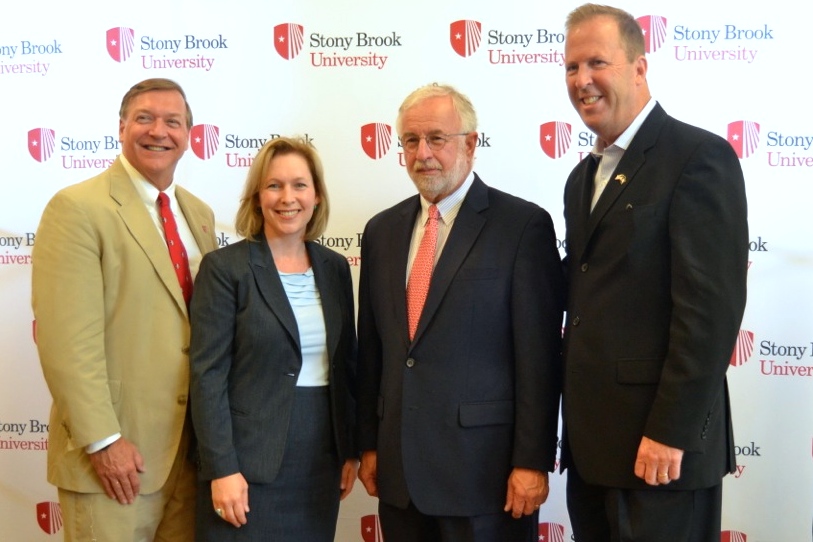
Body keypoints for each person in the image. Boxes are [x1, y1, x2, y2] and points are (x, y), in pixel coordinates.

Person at [560, 4, 749, 541]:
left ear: (640, 68)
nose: (582, 81)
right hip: (594, 453)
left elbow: (710, 312)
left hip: (660, 454)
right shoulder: (582, 178)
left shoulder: (697, 156)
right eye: (571, 68)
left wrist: (670, 432)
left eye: (597, 62)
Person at [356, 83, 565, 542]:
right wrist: (369, 444)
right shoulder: (382, 231)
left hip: (485, 479)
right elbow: (373, 350)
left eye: (437, 138)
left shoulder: (522, 226)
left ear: (470, 143)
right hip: (401, 477)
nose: (422, 153)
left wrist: (531, 460)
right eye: (411, 140)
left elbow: (539, 358)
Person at [31, 78, 217, 541]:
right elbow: (67, 343)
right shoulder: (77, 208)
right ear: (120, 127)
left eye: (173, 121)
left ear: (189, 136)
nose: (159, 131)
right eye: (144, 118)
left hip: (191, 456)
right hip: (114, 461)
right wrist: (103, 441)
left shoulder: (199, 214)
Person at [188, 136, 358, 541]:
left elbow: (346, 365)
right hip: (246, 465)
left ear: (316, 196)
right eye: (274, 185)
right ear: (257, 196)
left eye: (300, 184)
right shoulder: (225, 269)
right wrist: (222, 468)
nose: (288, 197)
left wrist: (349, 448)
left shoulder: (334, 268)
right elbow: (206, 376)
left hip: (320, 461)